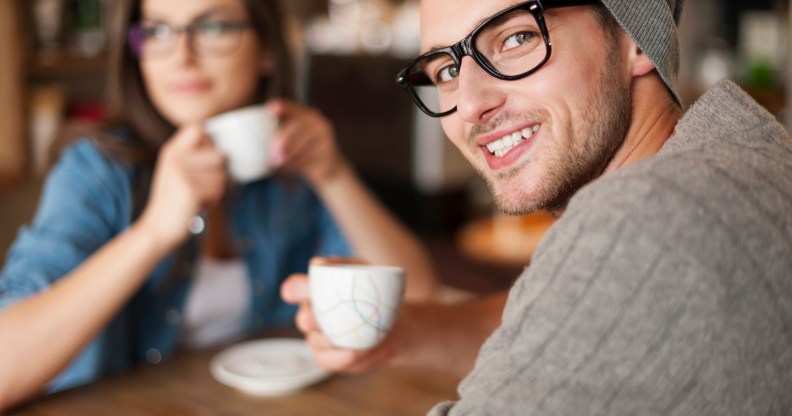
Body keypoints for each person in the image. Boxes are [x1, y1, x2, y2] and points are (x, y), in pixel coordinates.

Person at [282, 0, 792, 413]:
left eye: (515, 38)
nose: (472, 103)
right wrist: (409, 333)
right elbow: (584, 318)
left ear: (635, 35)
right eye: (445, 71)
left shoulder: (646, 217)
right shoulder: (735, 157)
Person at [0, 0, 439, 409]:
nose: (181, 55)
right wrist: (154, 231)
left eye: (211, 26)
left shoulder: (286, 168)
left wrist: (333, 174)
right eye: (158, 31)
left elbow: (416, 296)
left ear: (267, 49)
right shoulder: (97, 171)